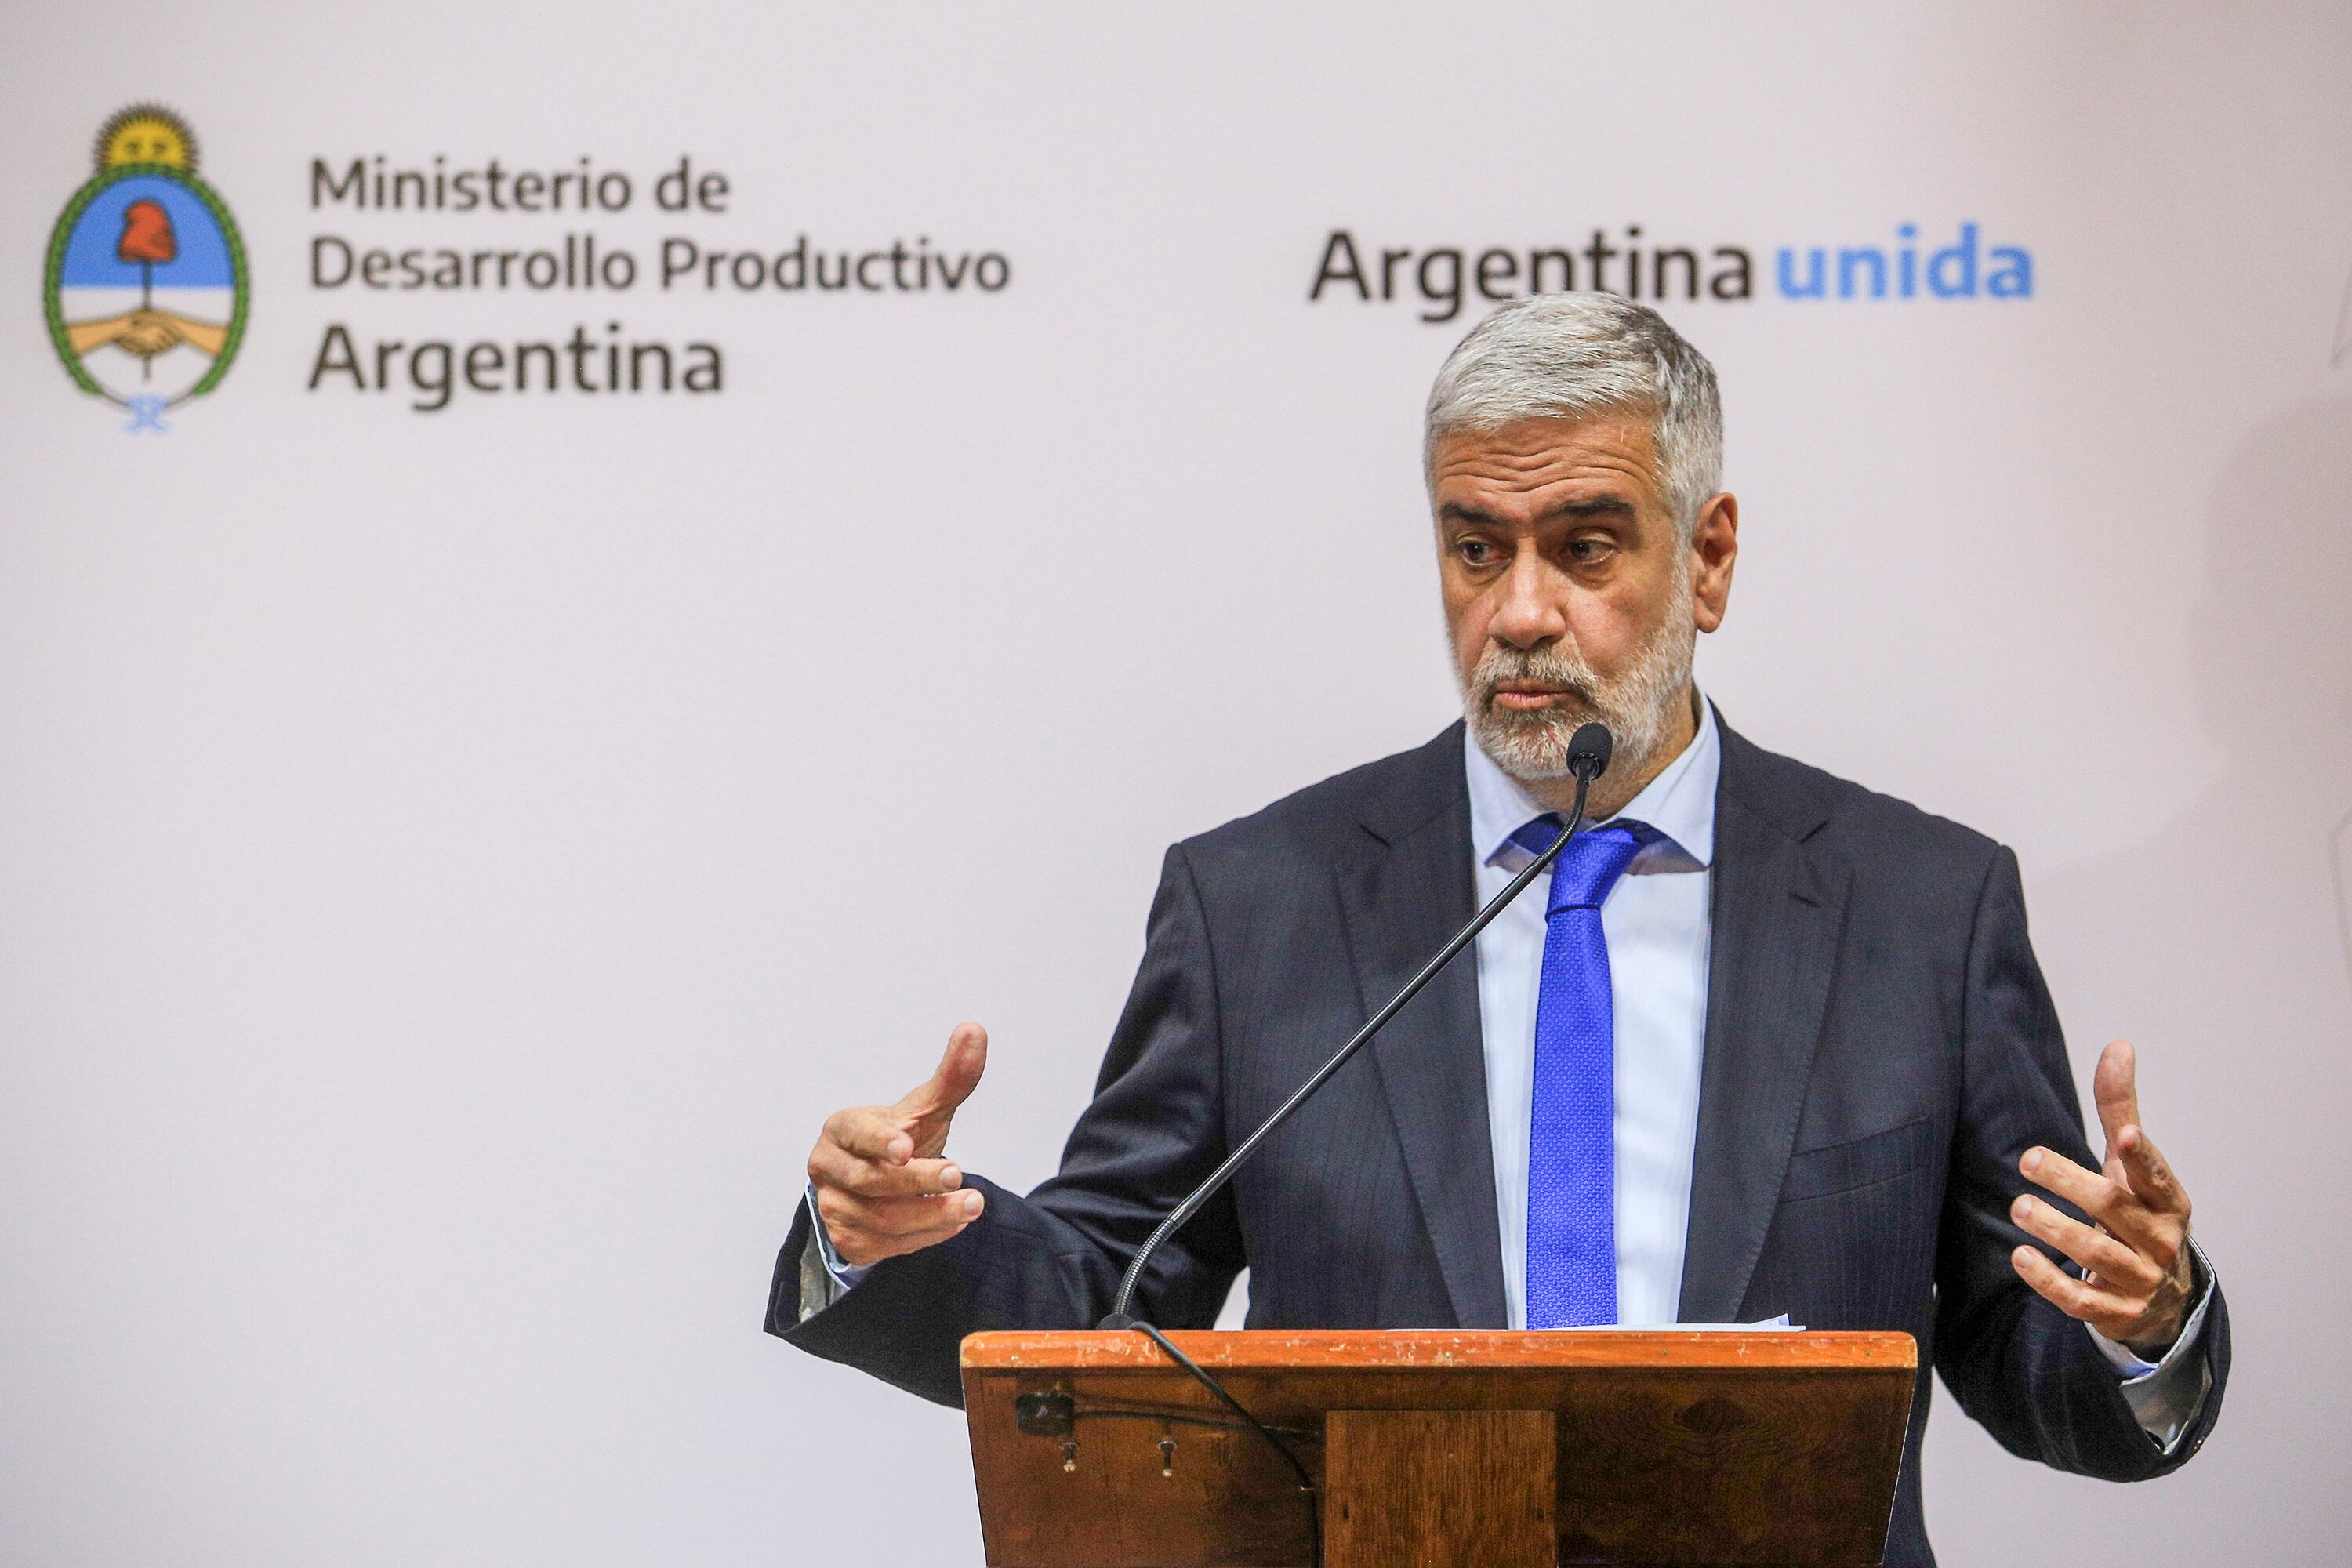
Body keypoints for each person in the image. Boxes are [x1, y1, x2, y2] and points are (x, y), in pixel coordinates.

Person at [764, 293, 2228, 1566]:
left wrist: (2139, 1320)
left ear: (1709, 559)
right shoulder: (1261, 902)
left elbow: (2019, 1344)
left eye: (1585, 548)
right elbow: (1117, 1303)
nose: (1521, 613)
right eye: (1477, 551)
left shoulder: (1923, 908)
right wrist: (899, 1239)